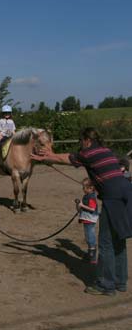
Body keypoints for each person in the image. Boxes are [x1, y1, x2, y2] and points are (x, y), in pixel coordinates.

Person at [31, 127, 132, 296]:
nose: (81, 144)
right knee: (119, 241)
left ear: (87, 140)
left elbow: (68, 159)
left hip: (113, 199)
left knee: (106, 244)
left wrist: (49, 156)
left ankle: (106, 285)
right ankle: (120, 282)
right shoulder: (107, 151)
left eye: (81, 141)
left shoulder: (88, 153)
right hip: (128, 193)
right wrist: (50, 155)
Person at [75, 178, 99, 264]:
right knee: (88, 236)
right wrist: (79, 206)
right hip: (86, 219)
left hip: (90, 219)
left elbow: (92, 208)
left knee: (90, 236)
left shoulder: (91, 197)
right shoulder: (86, 196)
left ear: (91, 188)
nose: (83, 189)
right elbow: (81, 208)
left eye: (84, 187)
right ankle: (90, 253)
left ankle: (92, 255)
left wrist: (82, 205)